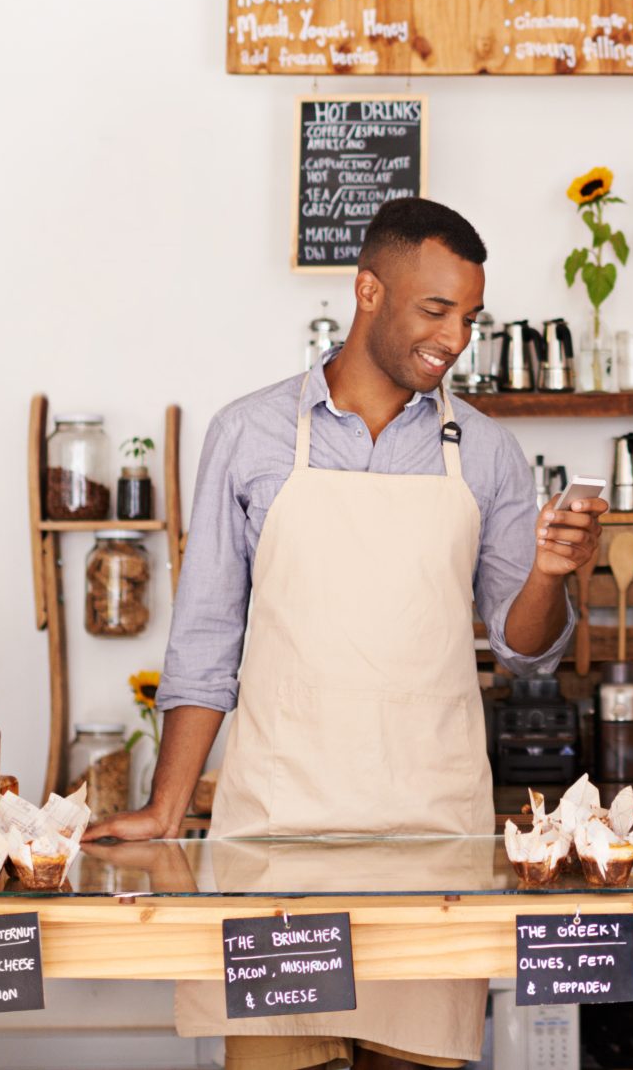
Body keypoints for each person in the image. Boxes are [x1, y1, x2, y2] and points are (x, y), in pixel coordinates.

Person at [87, 196, 601, 1069]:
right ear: (368, 289)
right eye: (434, 309)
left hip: (435, 836)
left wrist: (550, 577)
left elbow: (525, 646)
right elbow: (207, 634)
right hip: (276, 839)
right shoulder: (247, 434)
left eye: (469, 318)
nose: (453, 338)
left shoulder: (484, 451)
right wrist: (169, 806)